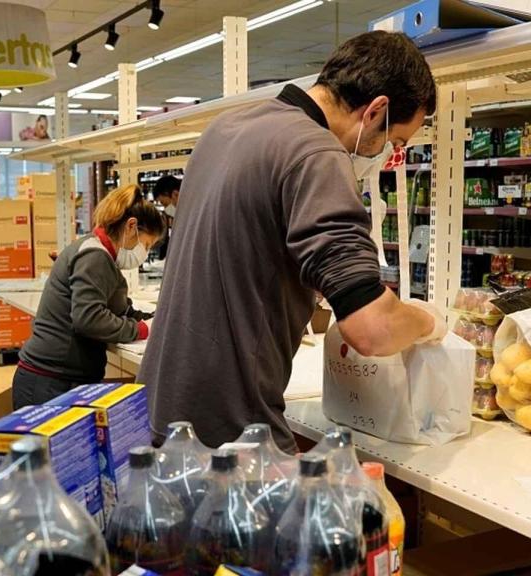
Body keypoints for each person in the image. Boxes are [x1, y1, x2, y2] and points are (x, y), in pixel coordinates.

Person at [140, 31, 446, 452]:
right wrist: (428, 322)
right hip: (230, 435)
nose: (386, 155)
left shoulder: (227, 127)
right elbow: (372, 329)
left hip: (161, 412)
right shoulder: (317, 153)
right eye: (393, 142)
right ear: (375, 110)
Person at [12, 184, 166, 408]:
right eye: (146, 244)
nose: (145, 253)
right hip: (50, 383)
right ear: (131, 226)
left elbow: (118, 309)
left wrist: (156, 320)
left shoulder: (100, 253)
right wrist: (141, 329)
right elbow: (89, 319)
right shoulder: (95, 256)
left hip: (57, 379)